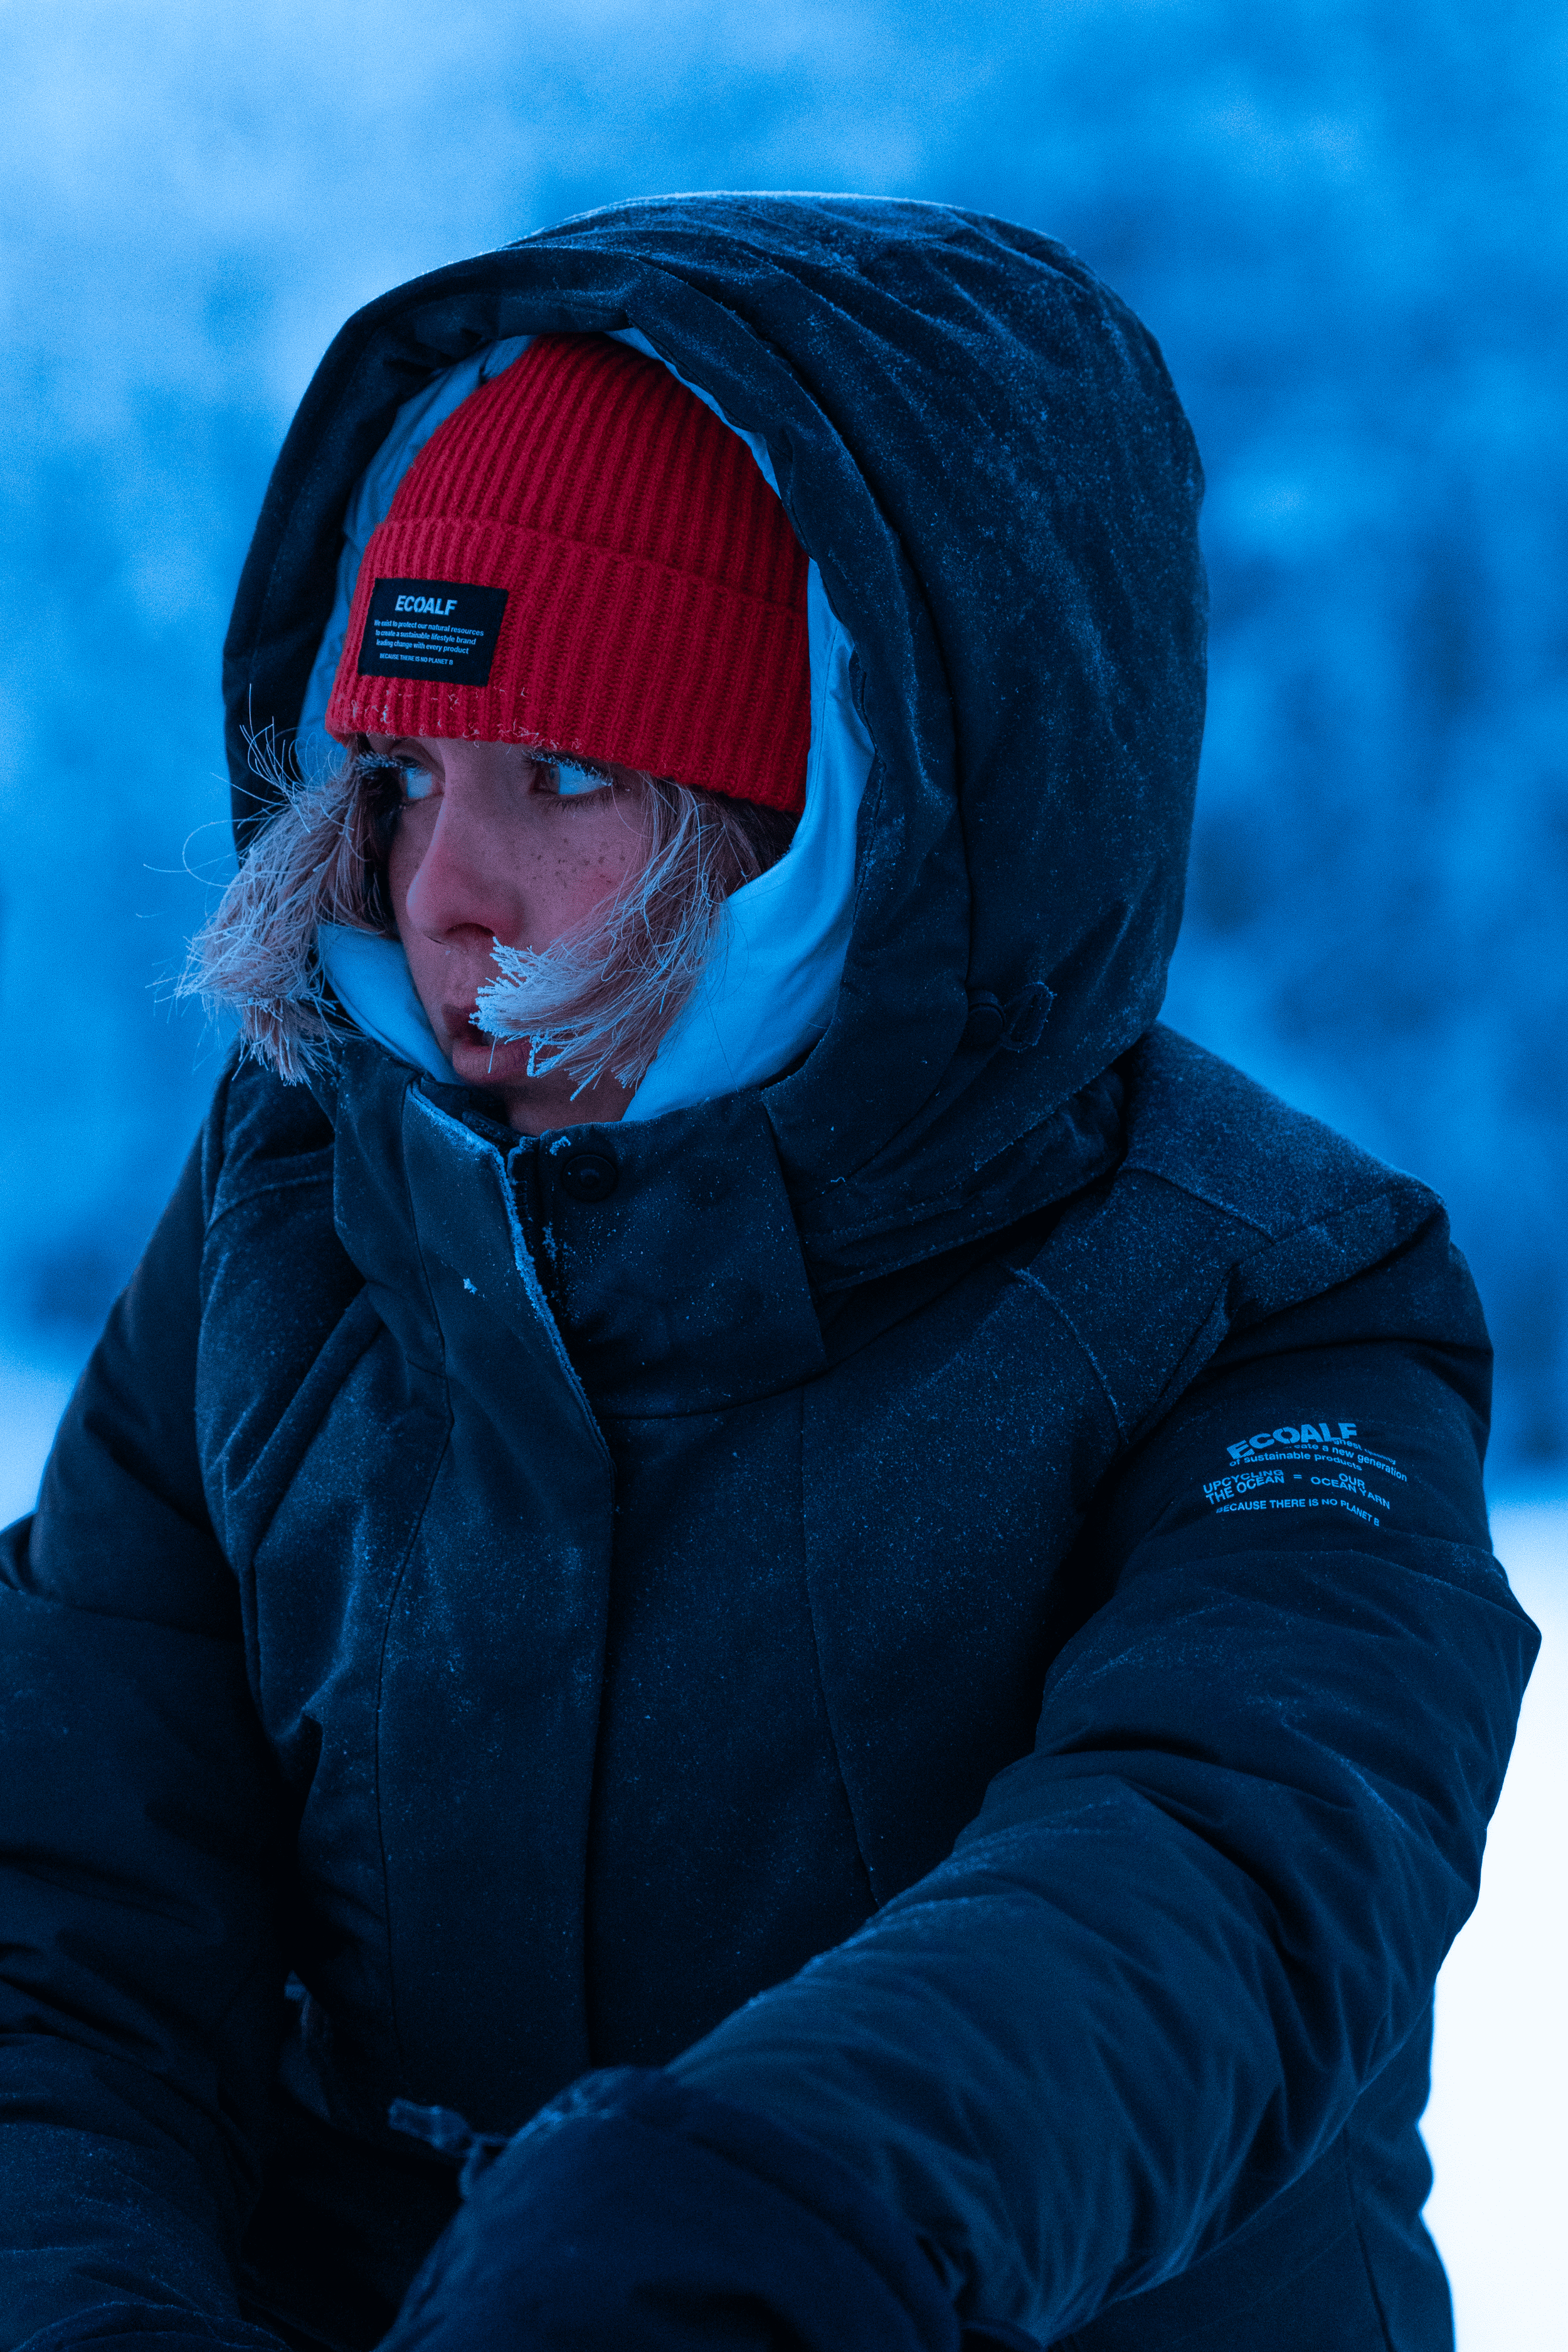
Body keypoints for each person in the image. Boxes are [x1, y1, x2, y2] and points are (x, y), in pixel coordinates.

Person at [0, 195, 1539, 2352]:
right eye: (404, 770)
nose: (441, 885)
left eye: (569, 770)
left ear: (849, 823)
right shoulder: (291, 1215)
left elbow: (1222, 1865)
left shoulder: (1263, 1304)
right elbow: (68, 1906)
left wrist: (738, 2218)